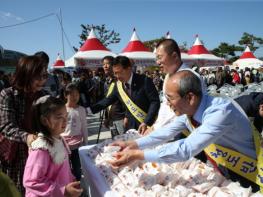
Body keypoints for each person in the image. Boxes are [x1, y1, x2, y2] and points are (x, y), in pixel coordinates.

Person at [109, 70, 258, 191]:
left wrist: (137, 155)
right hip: (225, 166)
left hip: (249, 172)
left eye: (170, 98)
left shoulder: (219, 112)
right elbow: (166, 132)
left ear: (190, 97)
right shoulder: (192, 108)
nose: (167, 104)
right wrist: (133, 144)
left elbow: (185, 149)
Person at [0, 55, 48, 194]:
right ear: (26, 74)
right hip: (16, 155)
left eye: (44, 76)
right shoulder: (8, 94)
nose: (42, 81)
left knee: (38, 189)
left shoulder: (43, 95)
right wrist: (27, 137)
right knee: (19, 189)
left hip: (39, 153)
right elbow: (6, 126)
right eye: (38, 77)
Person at [23, 96, 83, 197]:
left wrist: (71, 181)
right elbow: (31, 181)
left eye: (66, 116)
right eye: (59, 117)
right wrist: (63, 191)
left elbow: (64, 168)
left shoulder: (59, 139)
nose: (65, 121)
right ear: (44, 120)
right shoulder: (41, 149)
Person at [144, 38, 206, 135]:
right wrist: (155, 125)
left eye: (160, 57)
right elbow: (165, 106)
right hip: (167, 131)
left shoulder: (191, 77)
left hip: (186, 133)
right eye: (156, 58)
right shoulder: (168, 76)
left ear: (174, 56)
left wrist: (156, 129)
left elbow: (181, 112)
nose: (157, 62)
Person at [91, 56, 160, 134]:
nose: (117, 76)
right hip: (130, 126)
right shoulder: (119, 85)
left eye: (119, 72)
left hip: (146, 125)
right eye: (115, 73)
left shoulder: (144, 81)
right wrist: (88, 110)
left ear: (129, 68)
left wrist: (146, 122)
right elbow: (108, 100)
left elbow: (155, 102)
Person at [61, 83, 88, 181]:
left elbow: (84, 126)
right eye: (71, 94)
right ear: (65, 95)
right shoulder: (61, 109)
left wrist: (85, 141)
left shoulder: (81, 110)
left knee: (77, 167)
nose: (75, 97)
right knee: (65, 168)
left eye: (77, 94)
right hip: (63, 143)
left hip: (77, 144)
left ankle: (77, 185)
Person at [102, 56, 125, 136]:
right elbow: (106, 101)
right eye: (103, 64)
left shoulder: (120, 80)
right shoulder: (106, 83)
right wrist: (106, 118)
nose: (105, 66)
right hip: (111, 119)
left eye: (107, 63)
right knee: (115, 144)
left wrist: (127, 117)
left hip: (121, 118)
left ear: (113, 65)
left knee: (124, 144)